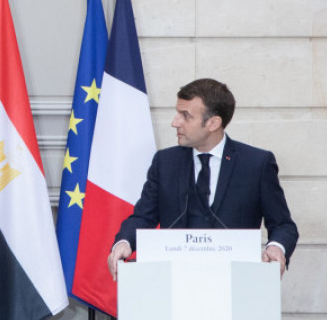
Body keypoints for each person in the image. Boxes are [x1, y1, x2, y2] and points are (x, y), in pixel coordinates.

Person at [107, 78, 297, 278]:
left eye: (185, 116)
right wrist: (124, 241)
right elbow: (143, 216)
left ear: (213, 123)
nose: (175, 122)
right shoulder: (165, 162)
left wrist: (276, 248)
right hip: (174, 282)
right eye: (177, 113)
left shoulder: (256, 163)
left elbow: (283, 224)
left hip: (236, 283)